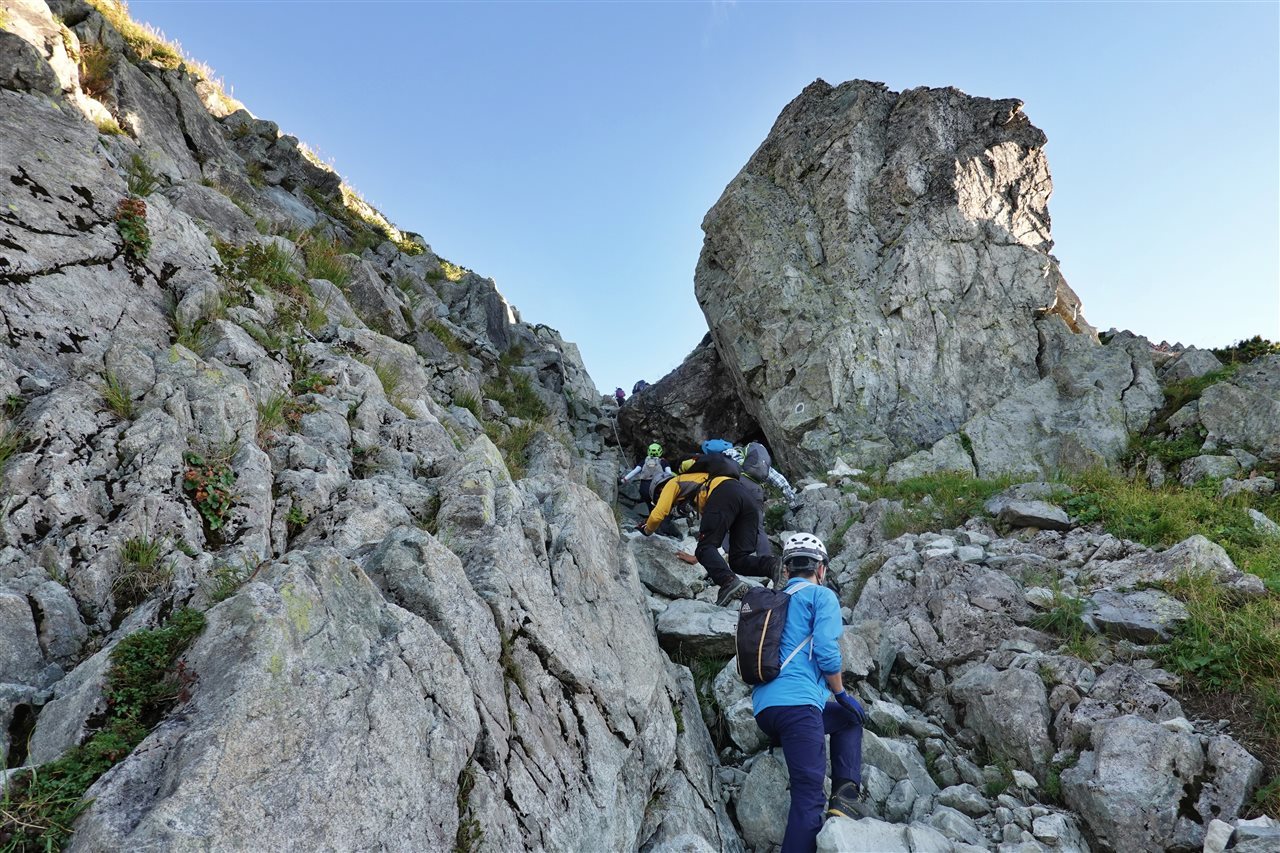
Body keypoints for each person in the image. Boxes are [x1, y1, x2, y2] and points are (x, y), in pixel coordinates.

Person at [753, 533, 867, 853]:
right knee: (808, 797)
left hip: (765, 711)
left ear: (787, 570)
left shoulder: (773, 600)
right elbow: (827, 653)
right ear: (821, 568)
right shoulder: (821, 596)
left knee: (846, 719)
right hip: (799, 710)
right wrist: (841, 693)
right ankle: (843, 799)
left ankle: (844, 799)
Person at [639, 457, 777, 606]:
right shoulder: (702, 484)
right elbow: (713, 535)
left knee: (704, 549)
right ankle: (774, 566)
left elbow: (658, 514)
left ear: (659, 490)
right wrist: (697, 557)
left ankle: (728, 582)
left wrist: (646, 530)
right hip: (746, 498)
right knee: (738, 560)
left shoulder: (673, 483)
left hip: (725, 493)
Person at [620, 444, 679, 537]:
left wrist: (624, 479)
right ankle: (661, 528)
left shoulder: (644, 461)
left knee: (651, 507)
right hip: (657, 488)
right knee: (661, 508)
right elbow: (668, 473)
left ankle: (651, 525)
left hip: (644, 488)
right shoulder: (663, 462)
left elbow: (635, 471)